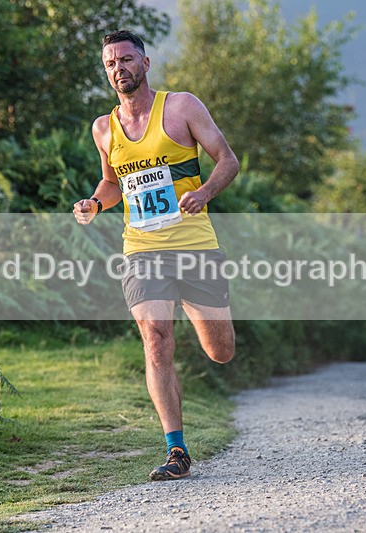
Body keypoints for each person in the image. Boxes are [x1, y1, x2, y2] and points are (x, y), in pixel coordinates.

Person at [73, 29, 239, 481]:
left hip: (195, 244)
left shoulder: (182, 106)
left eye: (126, 59)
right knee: (156, 338)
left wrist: (204, 192)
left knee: (220, 350)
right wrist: (94, 202)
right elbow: (112, 183)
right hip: (142, 248)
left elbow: (228, 159)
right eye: (110, 64)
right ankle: (176, 449)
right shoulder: (104, 128)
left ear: (144, 64)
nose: (118, 69)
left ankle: (195, 307)